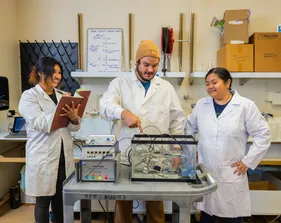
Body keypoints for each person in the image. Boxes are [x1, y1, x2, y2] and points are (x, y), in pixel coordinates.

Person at [99, 40, 186, 223]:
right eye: (146, 65)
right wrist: (124, 113)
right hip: (125, 155)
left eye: (154, 66)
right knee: (123, 206)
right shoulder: (120, 83)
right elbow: (104, 105)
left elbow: (177, 121)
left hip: (157, 157)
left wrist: (177, 149)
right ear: (136, 63)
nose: (150, 70)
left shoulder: (166, 88)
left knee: (155, 207)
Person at [186, 67, 271, 223]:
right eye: (207, 83)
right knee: (206, 215)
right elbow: (188, 128)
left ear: (227, 83)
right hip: (207, 171)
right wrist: (191, 152)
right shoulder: (201, 105)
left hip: (231, 172)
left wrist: (248, 161)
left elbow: (263, 134)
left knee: (233, 216)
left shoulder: (245, 106)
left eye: (214, 82)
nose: (210, 86)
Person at [18, 57, 81, 223]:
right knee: (43, 202)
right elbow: (40, 123)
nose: (57, 76)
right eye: (53, 72)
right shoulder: (29, 97)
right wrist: (62, 110)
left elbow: (73, 128)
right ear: (40, 72)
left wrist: (74, 118)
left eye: (59, 72)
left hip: (62, 156)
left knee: (61, 200)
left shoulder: (61, 95)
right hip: (43, 157)